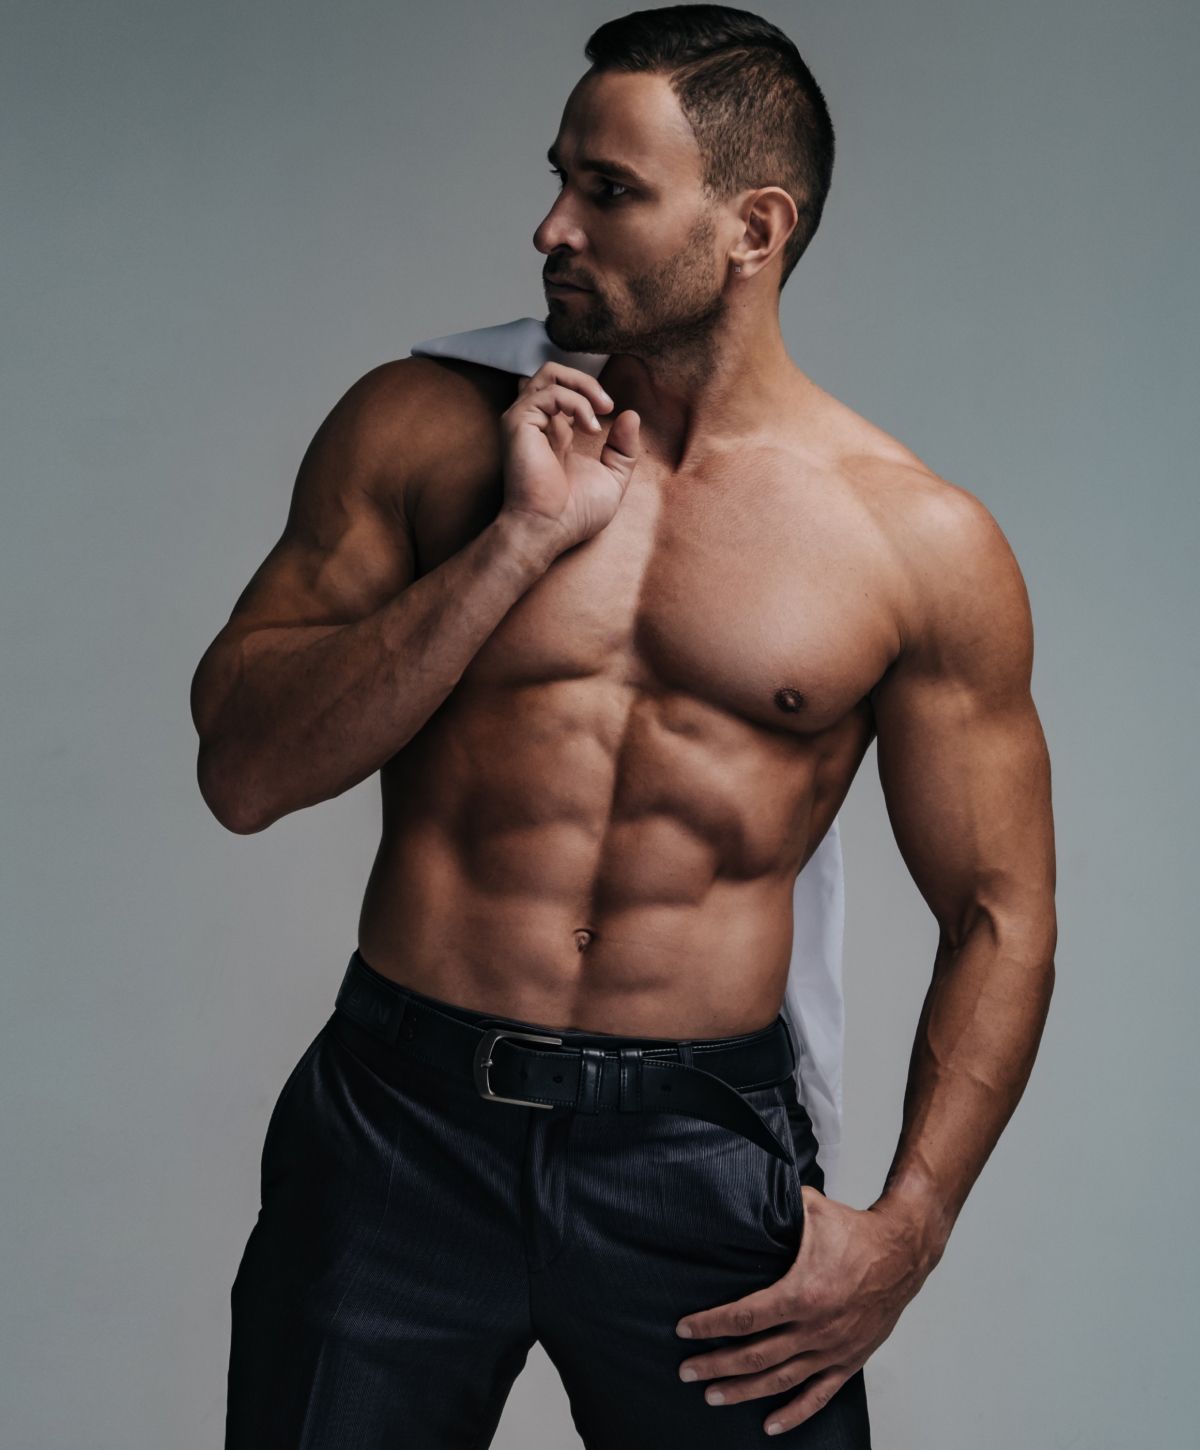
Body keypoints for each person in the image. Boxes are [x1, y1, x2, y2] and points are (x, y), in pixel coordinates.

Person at [191, 6, 1056, 1446]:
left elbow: (1000, 909)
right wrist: (513, 549)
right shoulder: (419, 428)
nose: (550, 226)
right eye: (559, 178)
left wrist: (909, 1225)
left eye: (608, 190)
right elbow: (242, 772)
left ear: (753, 227)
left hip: (697, 1154)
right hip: (400, 1127)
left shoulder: (911, 541)